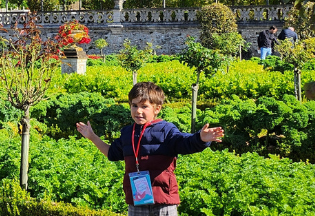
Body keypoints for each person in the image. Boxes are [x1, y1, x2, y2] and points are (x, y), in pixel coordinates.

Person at [76, 82, 224, 216]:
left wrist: (201, 138)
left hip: (164, 202)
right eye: (134, 105)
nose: (138, 111)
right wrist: (92, 136)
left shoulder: (166, 130)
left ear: (157, 109)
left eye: (144, 106)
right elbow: (111, 153)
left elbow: (185, 143)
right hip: (137, 200)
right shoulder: (128, 132)